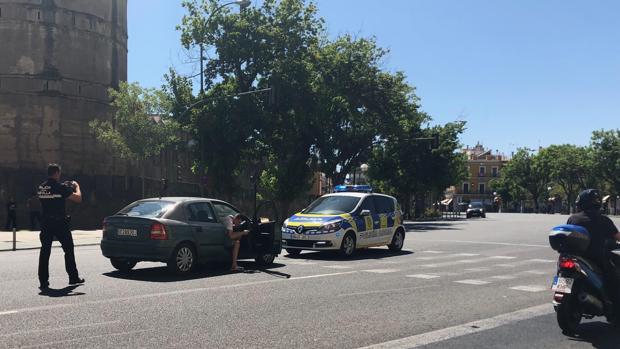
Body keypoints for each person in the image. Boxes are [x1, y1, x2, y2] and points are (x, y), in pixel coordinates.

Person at [37, 163, 85, 291]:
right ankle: (73, 276)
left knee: (45, 252)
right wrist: (76, 187)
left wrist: (64, 187)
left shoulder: (41, 187)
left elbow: (53, 194)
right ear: (57, 173)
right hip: (59, 223)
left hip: (46, 223)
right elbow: (78, 198)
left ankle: (43, 281)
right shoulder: (60, 187)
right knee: (68, 249)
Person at [567, 189, 620, 301]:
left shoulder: (573, 218)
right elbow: (617, 237)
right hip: (596, 256)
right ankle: (614, 305)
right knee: (615, 276)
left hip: (574, 255)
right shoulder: (604, 220)